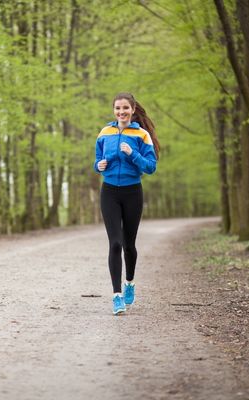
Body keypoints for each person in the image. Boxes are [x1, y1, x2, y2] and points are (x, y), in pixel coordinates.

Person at [93, 92, 160, 315]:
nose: (121, 112)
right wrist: (99, 165)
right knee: (115, 244)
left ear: (132, 110)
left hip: (133, 192)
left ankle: (129, 282)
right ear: (114, 111)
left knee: (129, 245)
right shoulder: (104, 132)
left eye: (125, 108)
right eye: (117, 108)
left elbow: (151, 167)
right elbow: (97, 160)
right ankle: (117, 296)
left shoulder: (142, 135)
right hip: (109, 191)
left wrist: (133, 154)